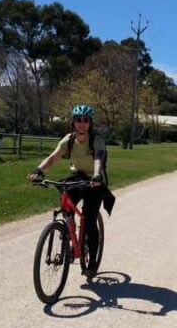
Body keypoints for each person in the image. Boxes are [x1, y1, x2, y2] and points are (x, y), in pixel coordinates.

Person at [27, 104, 114, 277]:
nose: (81, 123)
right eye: (78, 120)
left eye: (85, 120)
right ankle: (67, 231)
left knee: (89, 221)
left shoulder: (96, 139)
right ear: (73, 122)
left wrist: (96, 175)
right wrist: (39, 170)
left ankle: (92, 261)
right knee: (66, 202)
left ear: (90, 123)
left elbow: (98, 158)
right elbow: (54, 157)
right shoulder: (69, 139)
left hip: (94, 182)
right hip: (77, 177)